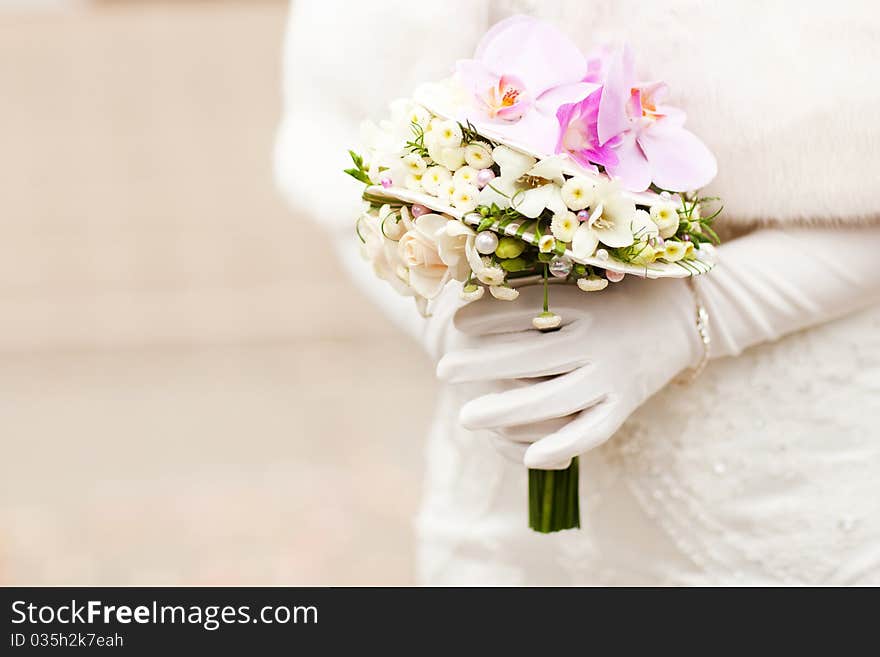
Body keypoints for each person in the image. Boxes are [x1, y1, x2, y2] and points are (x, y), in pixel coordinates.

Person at [275, 0, 880, 584]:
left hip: (780, 489)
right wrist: (447, 310)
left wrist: (705, 309)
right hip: (502, 500)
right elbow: (337, 148)